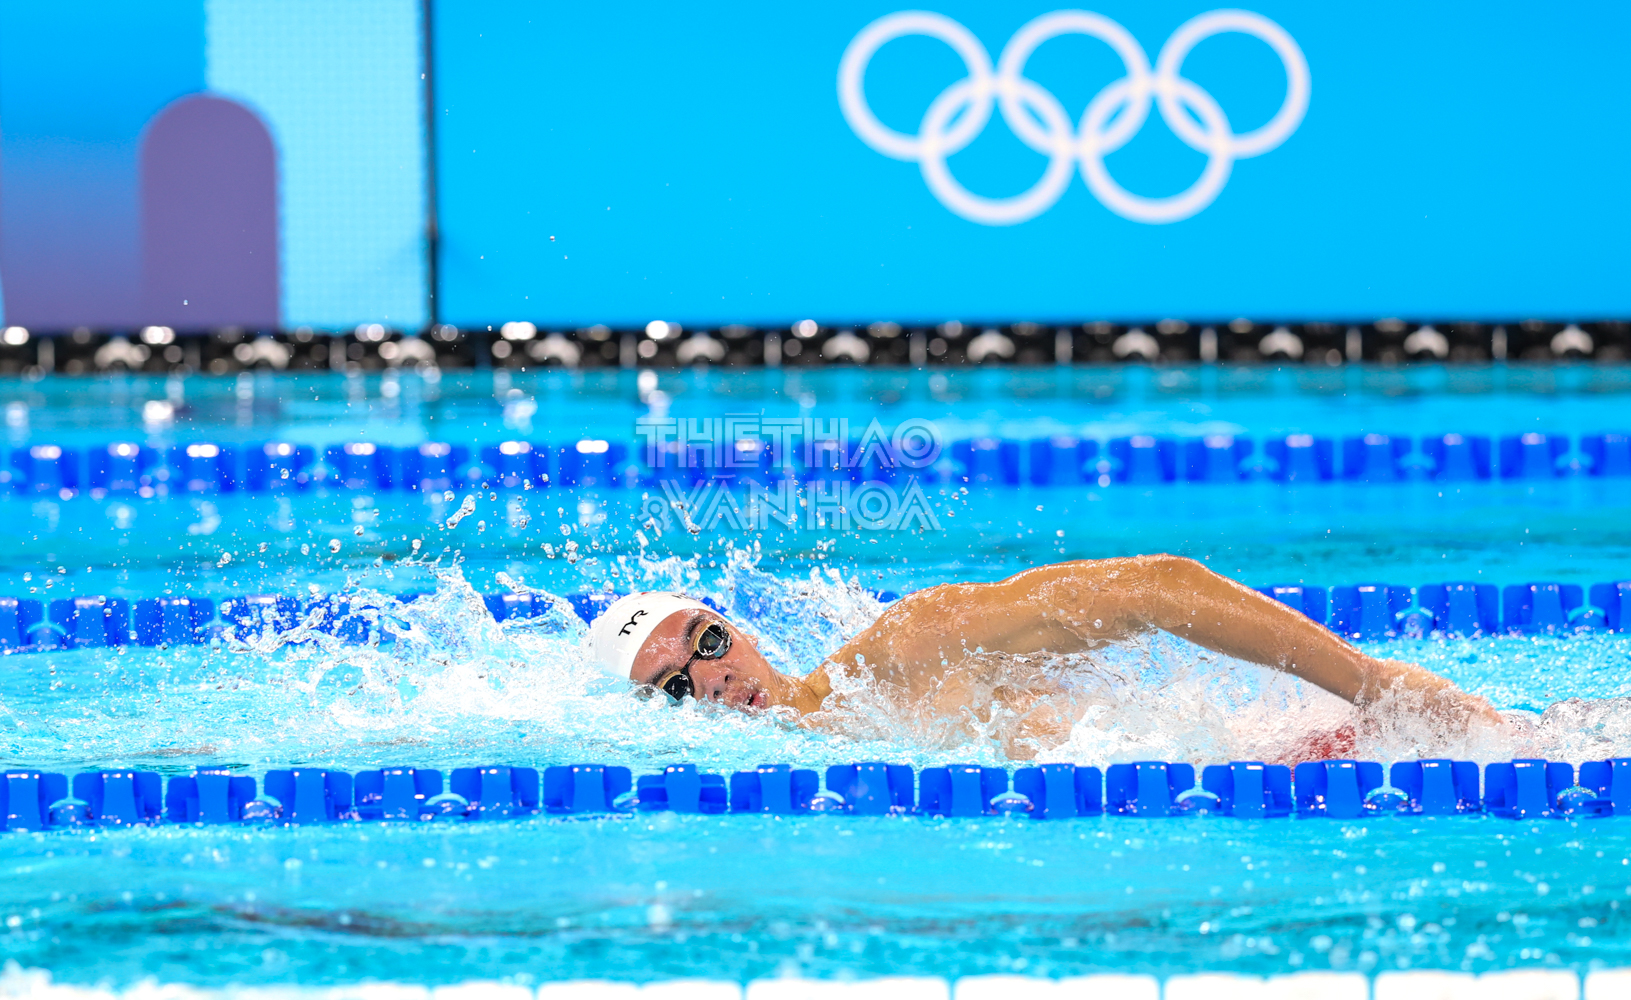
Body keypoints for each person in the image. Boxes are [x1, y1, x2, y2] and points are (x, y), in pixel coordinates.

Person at [587, 555, 1502, 758]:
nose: (710, 678)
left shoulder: (907, 649)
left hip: (1330, 768)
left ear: (733, 626)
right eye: (673, 687)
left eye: (705, 645)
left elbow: (1154, 586)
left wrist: (1374, 685)